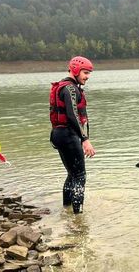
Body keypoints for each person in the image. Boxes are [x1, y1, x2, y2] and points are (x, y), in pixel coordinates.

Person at [49, 56, 96, 214]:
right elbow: (72, 115)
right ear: (75, 70)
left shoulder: (65, 86)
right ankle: (78, 216)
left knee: (72, 174)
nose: (87, 76)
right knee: (80, 176)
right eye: (85, 73)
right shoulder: (70, 89)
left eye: (89, 73)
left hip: (58, 134)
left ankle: (66, 209)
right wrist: (85, 139)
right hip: (68, 135)